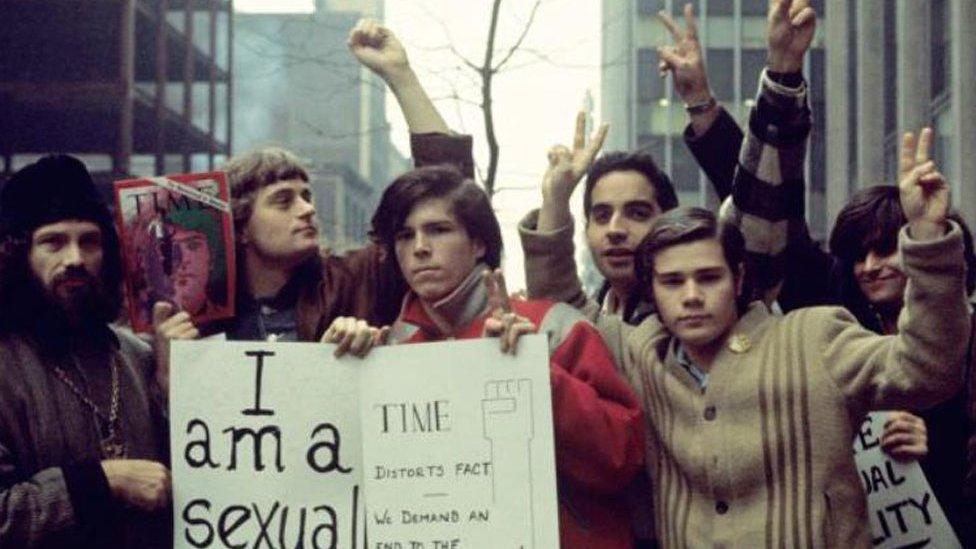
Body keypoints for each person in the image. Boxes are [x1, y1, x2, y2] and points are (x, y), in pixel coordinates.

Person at [658, 3, 976, 539]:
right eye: (857, 254)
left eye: (887, 249)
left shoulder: (962, 330)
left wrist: (933, 447)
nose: (871, 266)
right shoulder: (829, 323)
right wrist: (707, 104)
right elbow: (765, 211)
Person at [622, 136, 967, 544]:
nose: (692, 295)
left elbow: (927, 367)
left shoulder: (815, 337)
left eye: (709, 277)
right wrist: (555, 207)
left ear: (739, 278)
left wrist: (928, 239)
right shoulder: (642, 352)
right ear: (652, 289)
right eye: (673, 281)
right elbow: (561, 313)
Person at [329, 164, 645, 548]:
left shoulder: (552, 325)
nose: (420, 248)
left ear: (479, 243)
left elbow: (621, 458)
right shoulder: (387, 350)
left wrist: (538, 376)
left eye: (438, 230)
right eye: (404, 236)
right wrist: (337, 370)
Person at [154, 19, 474, 376]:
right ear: (240, 226)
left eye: (307, 196)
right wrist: (170, 374)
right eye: (283, 200)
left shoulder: (352, 282)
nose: (307, 209)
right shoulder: (196, 318)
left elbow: (449, 194)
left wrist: (400, 76)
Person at [0, 155, 170, 547]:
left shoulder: (136, 355)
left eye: (89, 241)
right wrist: (104, 481)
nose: (75, 259)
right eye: (53, 242)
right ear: (18, 254)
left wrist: (170, 389)